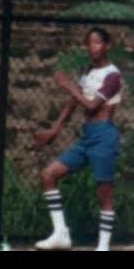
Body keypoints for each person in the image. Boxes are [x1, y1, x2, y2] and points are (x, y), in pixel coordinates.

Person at [34, 27, 121, 251]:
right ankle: (61, 233)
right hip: (87, 136)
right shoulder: (87, 73)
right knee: (48, 175)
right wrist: (54, 130)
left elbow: (91, 105)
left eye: (97, 43)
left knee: (104, 192)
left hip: (104, 135)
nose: (92, 48)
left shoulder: (113, 75)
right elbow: (73, 104)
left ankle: (103, 247)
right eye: (89, 44)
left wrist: (68, 86)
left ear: (107, 46)